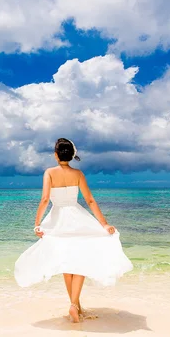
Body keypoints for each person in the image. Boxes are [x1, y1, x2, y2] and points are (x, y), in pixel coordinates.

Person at [14, 138, 133, 323]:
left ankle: (75, 305)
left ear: (55, 155)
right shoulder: (78, 174)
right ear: (71, 155)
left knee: (66, 264)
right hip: (77, 219)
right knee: (80, 262)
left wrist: (37, 223)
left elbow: (45, 199)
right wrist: (104, 224)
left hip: (57, 220)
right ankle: (74, 306)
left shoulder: (49, 173)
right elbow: (90, 200)